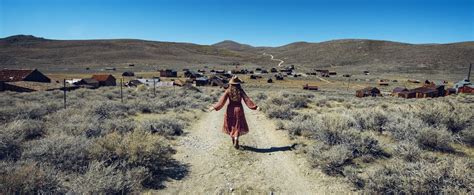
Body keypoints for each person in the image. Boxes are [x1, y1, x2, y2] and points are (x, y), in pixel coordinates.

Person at [208, 76, 260, 149]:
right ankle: (236, 138)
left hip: (230, 110)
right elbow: (247, 99)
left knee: (231, 124)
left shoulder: (228, 91)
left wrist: (214, 107)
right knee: (237, 125)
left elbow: (222, 101)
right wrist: (255, 107)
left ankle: (233, 139)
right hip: (239, 109)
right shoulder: (241, 91)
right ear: (238, 84)